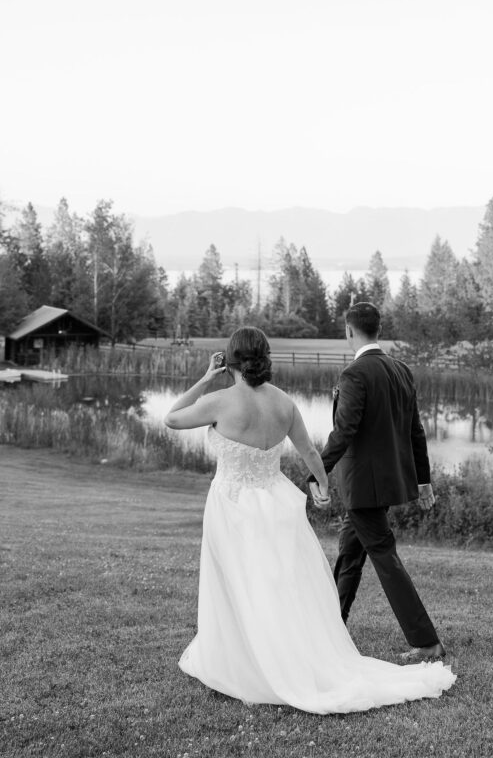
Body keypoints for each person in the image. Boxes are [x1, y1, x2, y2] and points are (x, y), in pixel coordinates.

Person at [164, 325, 455, 713]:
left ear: (229, 360)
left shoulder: (219, 401)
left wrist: (204, 378)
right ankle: (278, 654)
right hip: (277, 505)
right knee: (277, 584)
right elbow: (311, 453)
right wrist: (321, 485)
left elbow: (171, 418)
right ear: (265, 358)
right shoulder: (284, 402)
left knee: (236, 582)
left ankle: (248, 662)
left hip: (232, 505)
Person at [308, 301, 446, 662]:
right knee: (350, 553)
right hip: (384, 483)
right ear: (378, 330)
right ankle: (332, 628)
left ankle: (427, 641)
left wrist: (316, 472)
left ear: (348, 331)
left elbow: (344, 432)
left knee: (385, 557)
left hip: (363, 486)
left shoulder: (354, 375)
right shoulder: (401, 370)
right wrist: (423, 481)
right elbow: (416, 431)